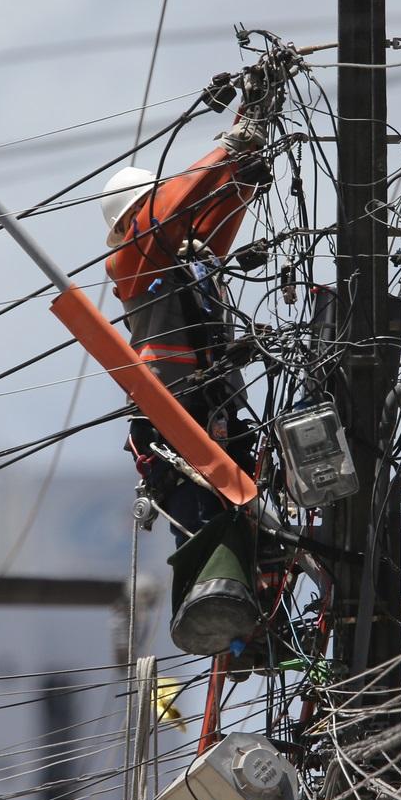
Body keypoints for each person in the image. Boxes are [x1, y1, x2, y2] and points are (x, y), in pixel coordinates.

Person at [101, 111, 268, 655]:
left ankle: (253, 620)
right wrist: (228, 152)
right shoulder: (129, 259)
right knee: (199, 516)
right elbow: (170, 208)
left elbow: (210, 217)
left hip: (215, 404)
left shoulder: (187, 257)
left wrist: (241, 176)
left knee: (250, 513)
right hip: (169, 410)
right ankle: (211, 602)